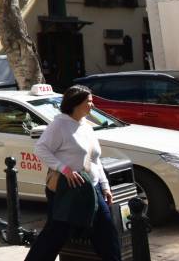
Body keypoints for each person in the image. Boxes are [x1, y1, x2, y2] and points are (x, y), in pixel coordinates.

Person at [24, 85, 120, 261]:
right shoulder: (59, 125)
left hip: (92, 187)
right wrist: (64, 169)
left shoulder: (86, 126)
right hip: (68, 189)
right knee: (56, 233)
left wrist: (105, 186)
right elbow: (41, 149)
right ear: (75, 103)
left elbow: (95, 159)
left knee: (105, 229)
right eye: (89, 102)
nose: (92, 105)